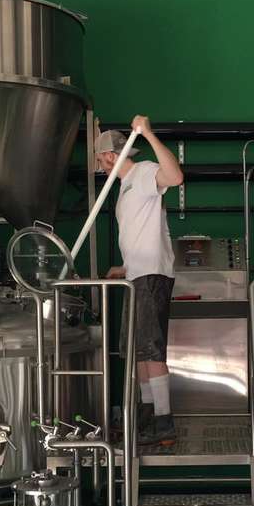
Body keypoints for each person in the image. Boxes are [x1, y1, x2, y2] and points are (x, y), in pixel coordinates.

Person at [95, 115, 183, 446]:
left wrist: (148, 133)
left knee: (151, 350)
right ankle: (148, 417)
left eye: (100, 159)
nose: (100, 166)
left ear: (109, 156)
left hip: (151, 275)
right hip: (136, 274)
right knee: (140, 351)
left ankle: (164, 424)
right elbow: (139, 232)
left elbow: (175, 177)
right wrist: (124, 267)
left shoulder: (143, 172)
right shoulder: (125, 186)